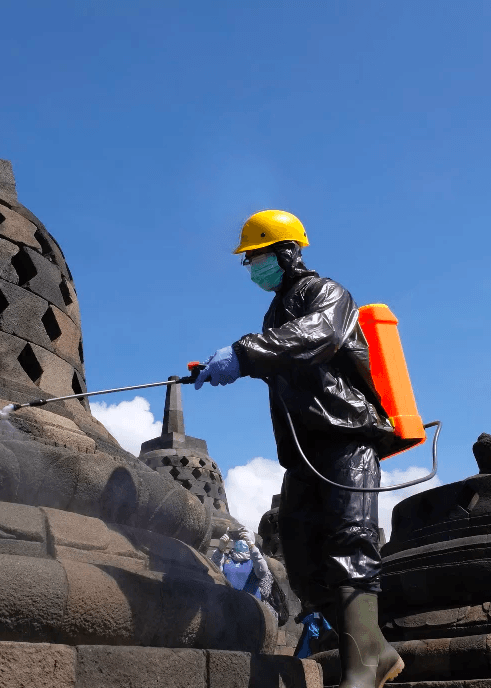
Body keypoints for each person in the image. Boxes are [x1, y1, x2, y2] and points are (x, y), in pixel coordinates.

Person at [194, 210, 404, 688]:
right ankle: (378, 650)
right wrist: (227, 363)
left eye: (255, 256)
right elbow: (285, 356)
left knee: (351, 543)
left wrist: (245, 353)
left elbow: (319, 336)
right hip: (303, 450)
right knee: (305, 570)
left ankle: (361, 672)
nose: (250, 267)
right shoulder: (275, 312)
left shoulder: (328, 293)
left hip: (345, 436)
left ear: (285, 252)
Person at [211, 527, 276, 622]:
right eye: (238, 538)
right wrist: (220, 549)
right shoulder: (227, 558)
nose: (241, 541)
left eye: (244, 538)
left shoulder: (255, 560)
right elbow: (214, 570)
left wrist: (252, 546)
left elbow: (263, 571)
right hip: (227, 609)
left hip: (250, 610)